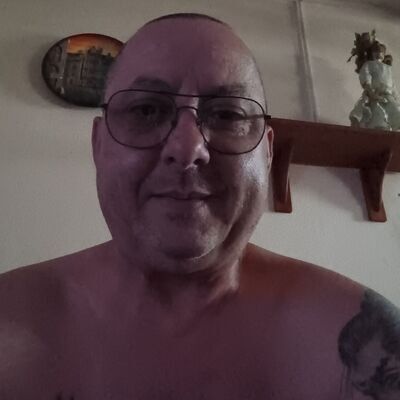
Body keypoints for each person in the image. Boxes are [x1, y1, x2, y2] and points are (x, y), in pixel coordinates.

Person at [1, 13, 399, 400]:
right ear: (98, 145)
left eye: (227, 114)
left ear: (267, 152)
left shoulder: (363, 342)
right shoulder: (10, 324)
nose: (188, 147)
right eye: (146, 110)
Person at [350, 41, 400, 131]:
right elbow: (366, 74)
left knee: (394, 109)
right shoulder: (369, 64)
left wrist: (396, 98)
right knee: (375, 110)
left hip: (387, 95)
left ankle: (393, 125)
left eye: (381, 52)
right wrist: (370, 90)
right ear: (372, 53)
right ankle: (377, 126)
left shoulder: (388, 68)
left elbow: (392, 84)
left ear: (384, 55)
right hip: (373, 93)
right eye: (376, 51)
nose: (379, 54)